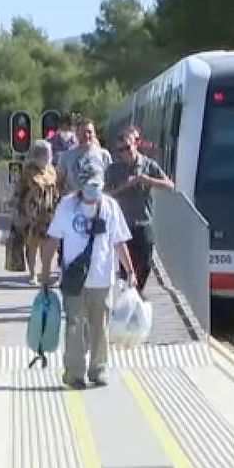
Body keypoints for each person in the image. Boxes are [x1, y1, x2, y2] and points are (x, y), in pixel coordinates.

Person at [47, 162, 136, 389]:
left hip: (102, 278)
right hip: (75, 278)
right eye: (88, 184)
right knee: (75, 325)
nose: (92, 189)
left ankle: (99, 369)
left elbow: (118, 241)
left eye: (96, 184)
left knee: (100, 326)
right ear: (80, 184)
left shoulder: (111, 207)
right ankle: (75, 373)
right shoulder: (67, 207)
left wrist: (130, 270)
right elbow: (53, 240)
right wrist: (45, 271)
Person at [106, 125, 173, 294]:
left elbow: (170, 185)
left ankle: (137, 292)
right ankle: (129, 297)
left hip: (144, 221)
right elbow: (106, 195)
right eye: (121, 150)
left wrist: (148, 180)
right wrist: (125, 186)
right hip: (123, 224)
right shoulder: (114, 169)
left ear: (135, 145)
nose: (126, 152)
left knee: (145, 263)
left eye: (128, 148)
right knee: (125, 267)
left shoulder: (148, 164)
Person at [13, 140, 62, 285]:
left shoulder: (51, 170)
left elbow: (55, 190)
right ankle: (32, 274)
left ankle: (44, 272)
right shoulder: (28, 171)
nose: (49, 156)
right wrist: (23, 213)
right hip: (32, 212)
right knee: (33, 244)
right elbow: (20, 192)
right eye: (47, 153)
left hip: (49, 212)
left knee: (48, 244)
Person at [55, 117, 112, 192]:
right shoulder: (65, 157)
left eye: (89, 132)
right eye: (83, 132)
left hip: (98, 201)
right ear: (77, 134)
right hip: (75, 201)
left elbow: (110, 181)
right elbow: (59, 183)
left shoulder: (104, 155)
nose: (86, 135)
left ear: (94, 134)